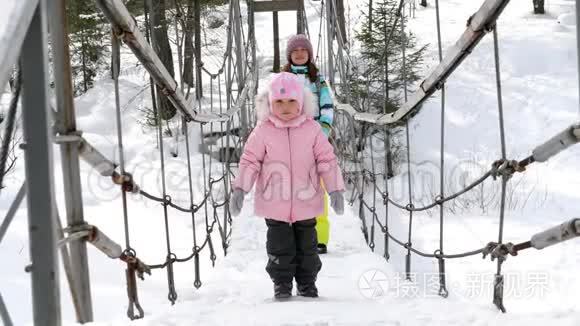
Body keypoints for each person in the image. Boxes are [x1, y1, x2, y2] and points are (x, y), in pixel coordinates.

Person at [229, 72, 345, 300]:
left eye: (291, 101)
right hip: (275, 202)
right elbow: (250, 160)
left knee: (308, 248)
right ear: (270, 103)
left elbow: (326, 159)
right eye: (279, 102)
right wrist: (241, 188)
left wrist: (335, 189)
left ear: (301, 102)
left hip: (307, 199)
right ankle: (281, 283)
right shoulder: (263, 130)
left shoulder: (312, 129)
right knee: (279, 247)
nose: (285, 107)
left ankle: (307, 282)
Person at [283, 34, 334, 254]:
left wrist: (321, 134)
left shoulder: (318, 81)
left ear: (310, 55)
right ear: (290, 55)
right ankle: (290, 235)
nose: (300, 53)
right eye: (295, 51)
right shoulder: (282, 80)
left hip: (314, 141)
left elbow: (327, 109)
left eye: (304, 50)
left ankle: (318, 238)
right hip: (289, 141)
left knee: (316, 189)